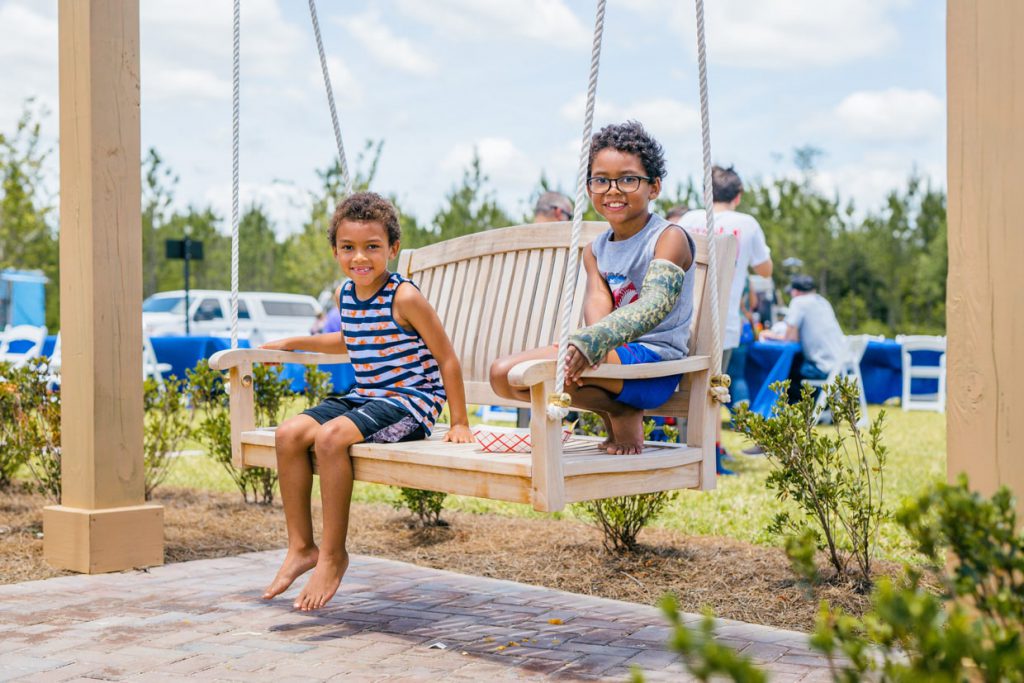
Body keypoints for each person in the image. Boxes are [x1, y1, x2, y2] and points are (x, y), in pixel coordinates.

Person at [259, 192, 473, 611]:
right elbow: (349, 340)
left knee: (330, 438)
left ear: (393, 249)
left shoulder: (405, 297)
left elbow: (446, 357)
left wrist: (460, 421)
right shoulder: (346, 295)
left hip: (411, 402)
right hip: (367, 397)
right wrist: (296, 341)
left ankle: (334, 554)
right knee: (288, 434)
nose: (360, 257)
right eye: (348, 248)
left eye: (372, 247)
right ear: (335, 251)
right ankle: (302, 546)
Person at [490, 121, 696, 455]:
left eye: (628, 179)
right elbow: (598, 305)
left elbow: (656, 302)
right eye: (601, 180)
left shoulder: (669, 238)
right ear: (589, 188)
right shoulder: (595, 251)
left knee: (542, 369)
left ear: (654, 187)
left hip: (655, 366)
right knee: (502, 375)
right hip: (609, 359)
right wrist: (588, 343)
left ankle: (623, 406)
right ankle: (616, 409)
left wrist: (592, 341)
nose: (613, 189)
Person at [677, 166, 772, 473]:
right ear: (738, 196)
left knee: (685, 388)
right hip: (724, 321)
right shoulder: (747, 224)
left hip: (685, 318)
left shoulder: (690, 218)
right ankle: (711, 459)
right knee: (715, 391)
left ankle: (683, 450)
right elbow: (765, 269)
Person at [761, 274, 846, 403]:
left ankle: (779, 410)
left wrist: (769, 334)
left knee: (783, 371)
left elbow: (790, 338)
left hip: (822, 368)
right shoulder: (823, 302)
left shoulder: (798, 302)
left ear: (795, 291)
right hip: (841, 368)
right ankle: (820, 407)